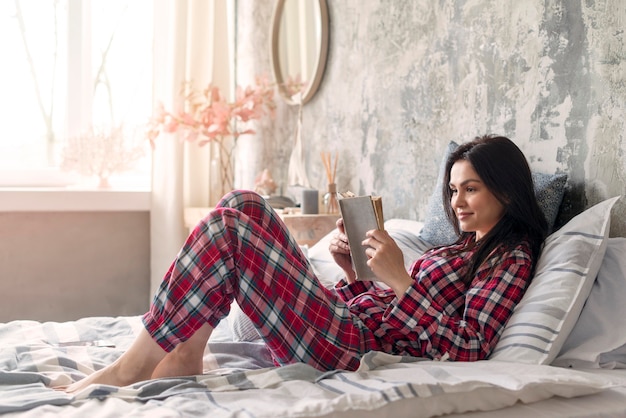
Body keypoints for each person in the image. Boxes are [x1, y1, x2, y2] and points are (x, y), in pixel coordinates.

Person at [65, 134, 548, 392]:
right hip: (345, 317)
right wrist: (357, 272)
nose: (457, 201)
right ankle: (188, 353)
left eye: (470, 189)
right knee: (244, 202)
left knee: (229, 229)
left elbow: (470, 347)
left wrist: (402, 279)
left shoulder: (511, 256)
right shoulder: (461, 247)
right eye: (453, 189)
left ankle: (132, 366)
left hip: (349, 345)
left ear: (505, 189)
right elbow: (403, 308)